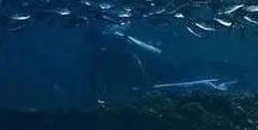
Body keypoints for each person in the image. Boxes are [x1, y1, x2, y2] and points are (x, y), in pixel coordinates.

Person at [86, 24, 247, 103]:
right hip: (159, 71)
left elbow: (138, 71)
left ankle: (234, 75)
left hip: (158, 73)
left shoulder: (106, 56)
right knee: (193, 67)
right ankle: (233, 75)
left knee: (193, 68)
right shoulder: (117, 53)